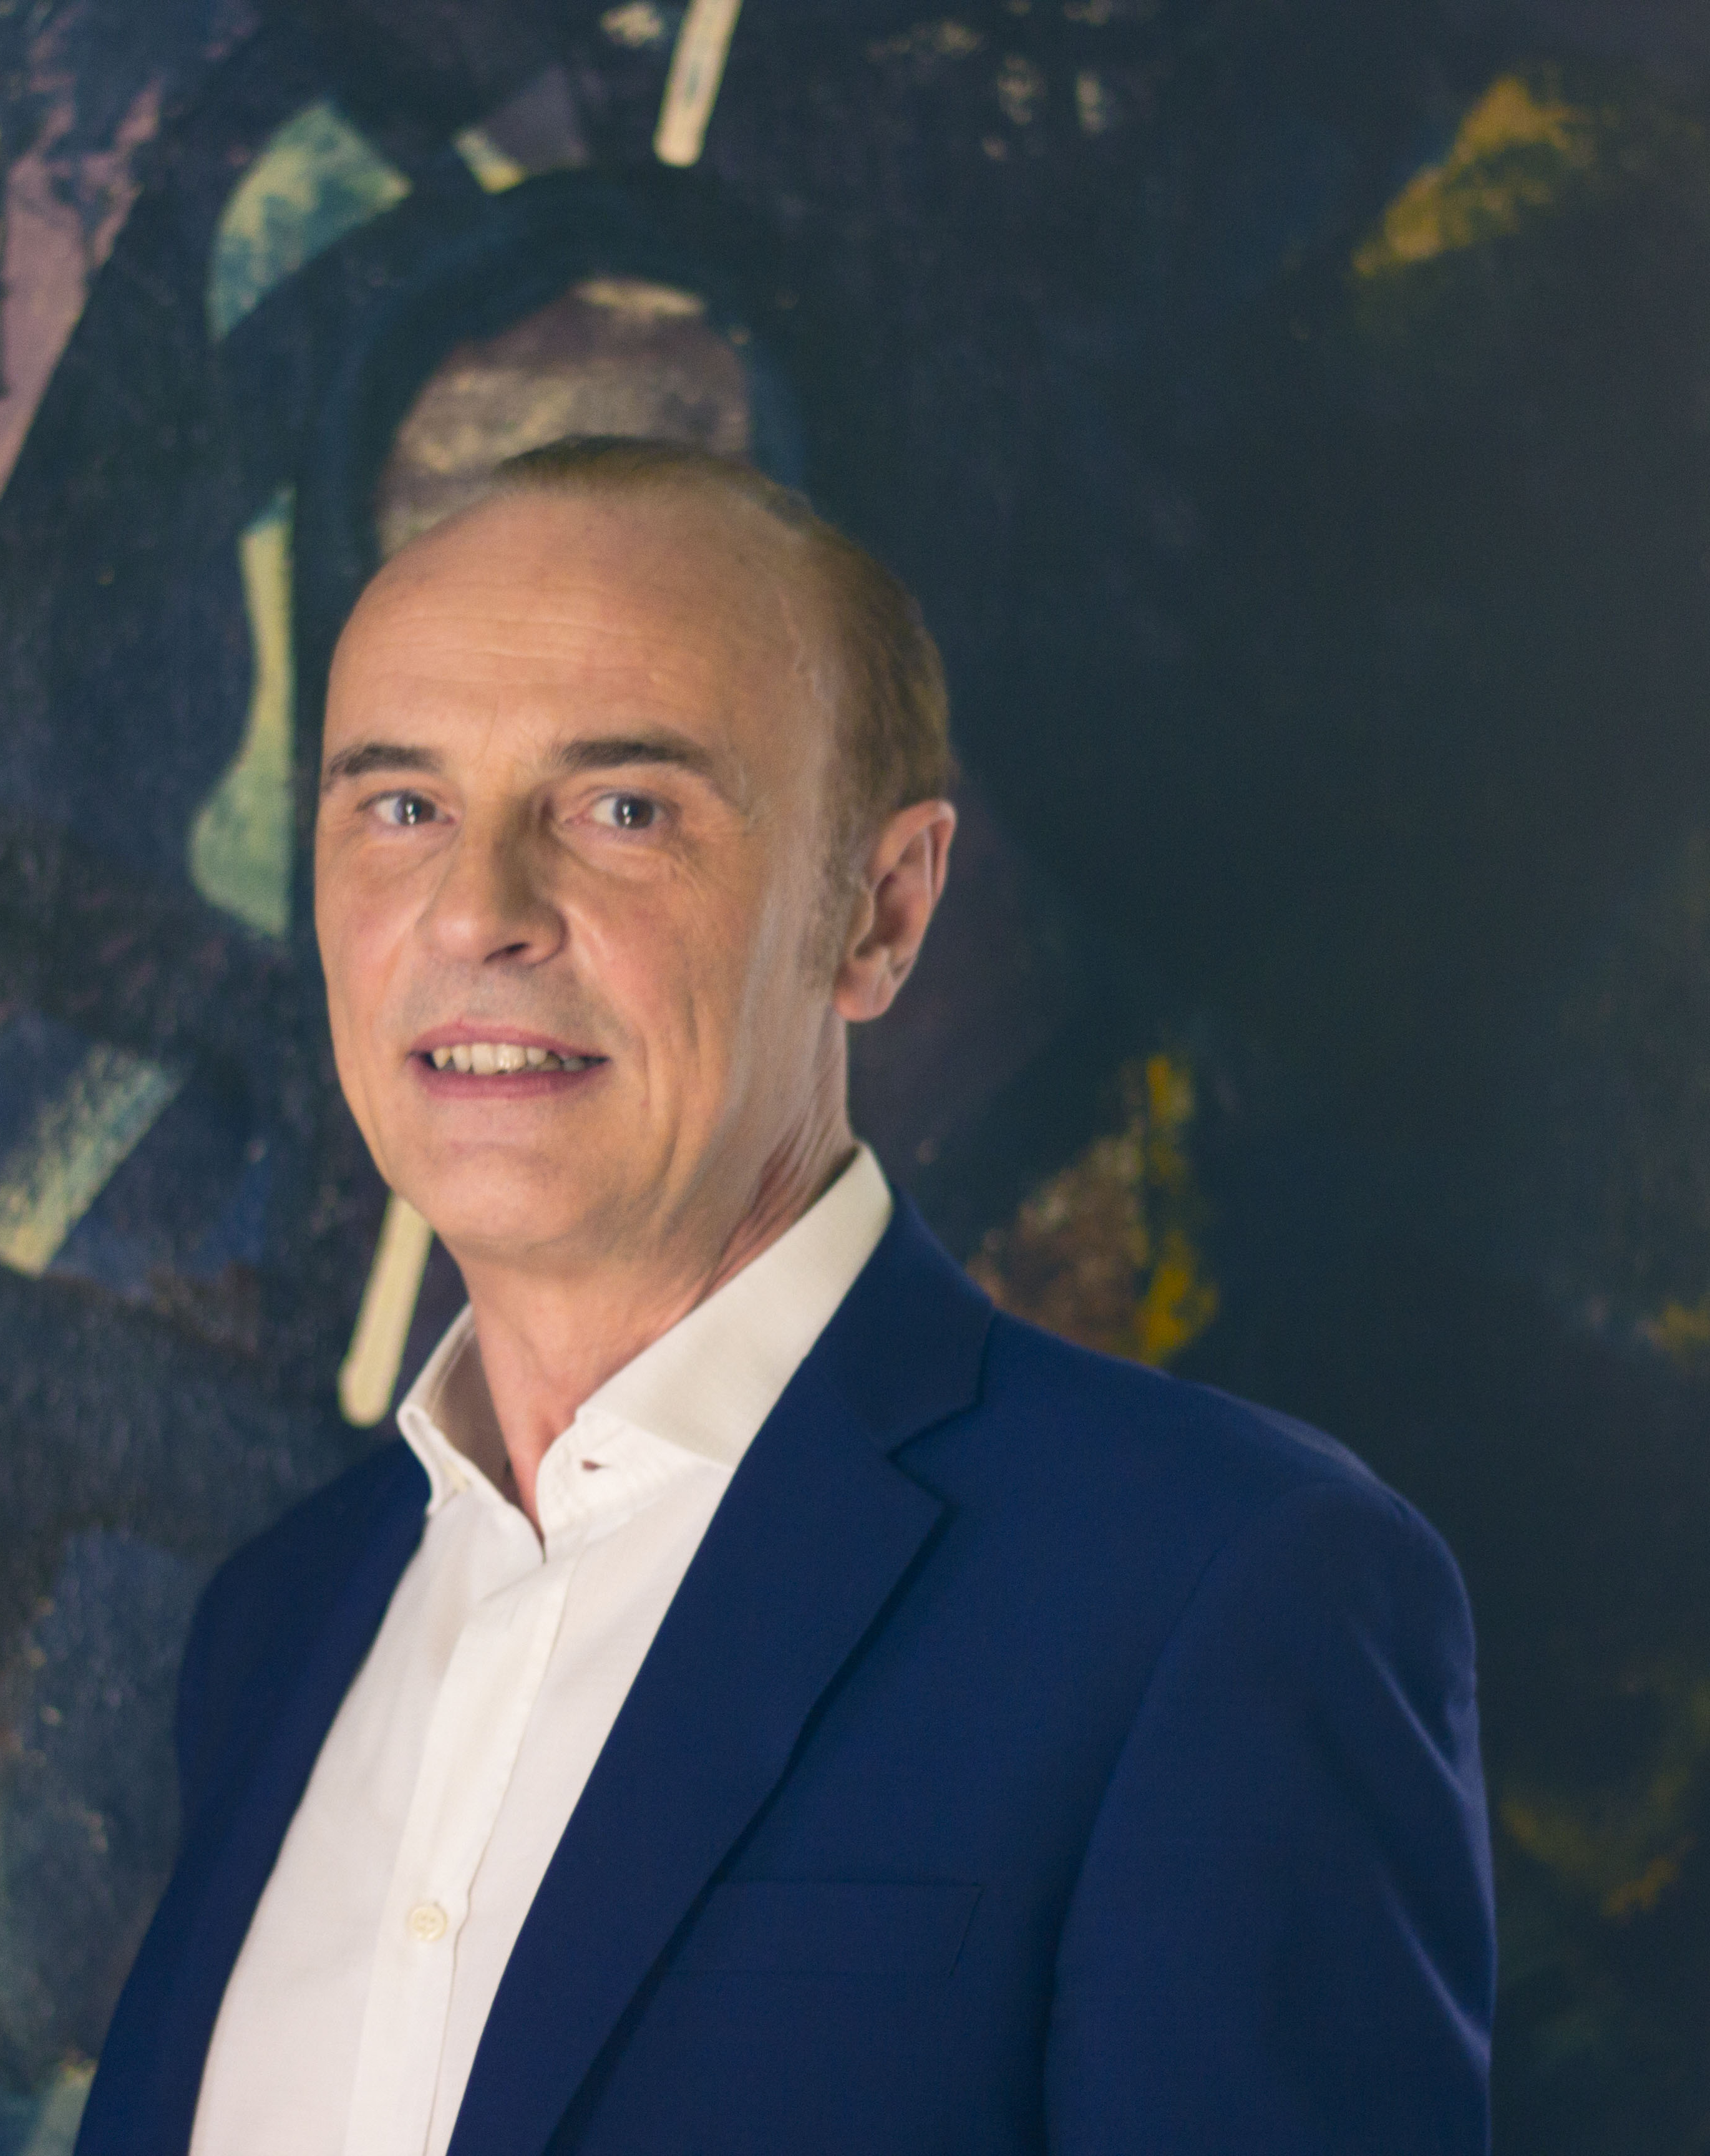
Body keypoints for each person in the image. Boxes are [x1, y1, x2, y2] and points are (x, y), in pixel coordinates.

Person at [77, 438, 1495, 2156]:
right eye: (403, 808)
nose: (477, 914)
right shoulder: (279, 1621)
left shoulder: (1221, 1589)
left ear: (880, 915)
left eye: (624, 809)